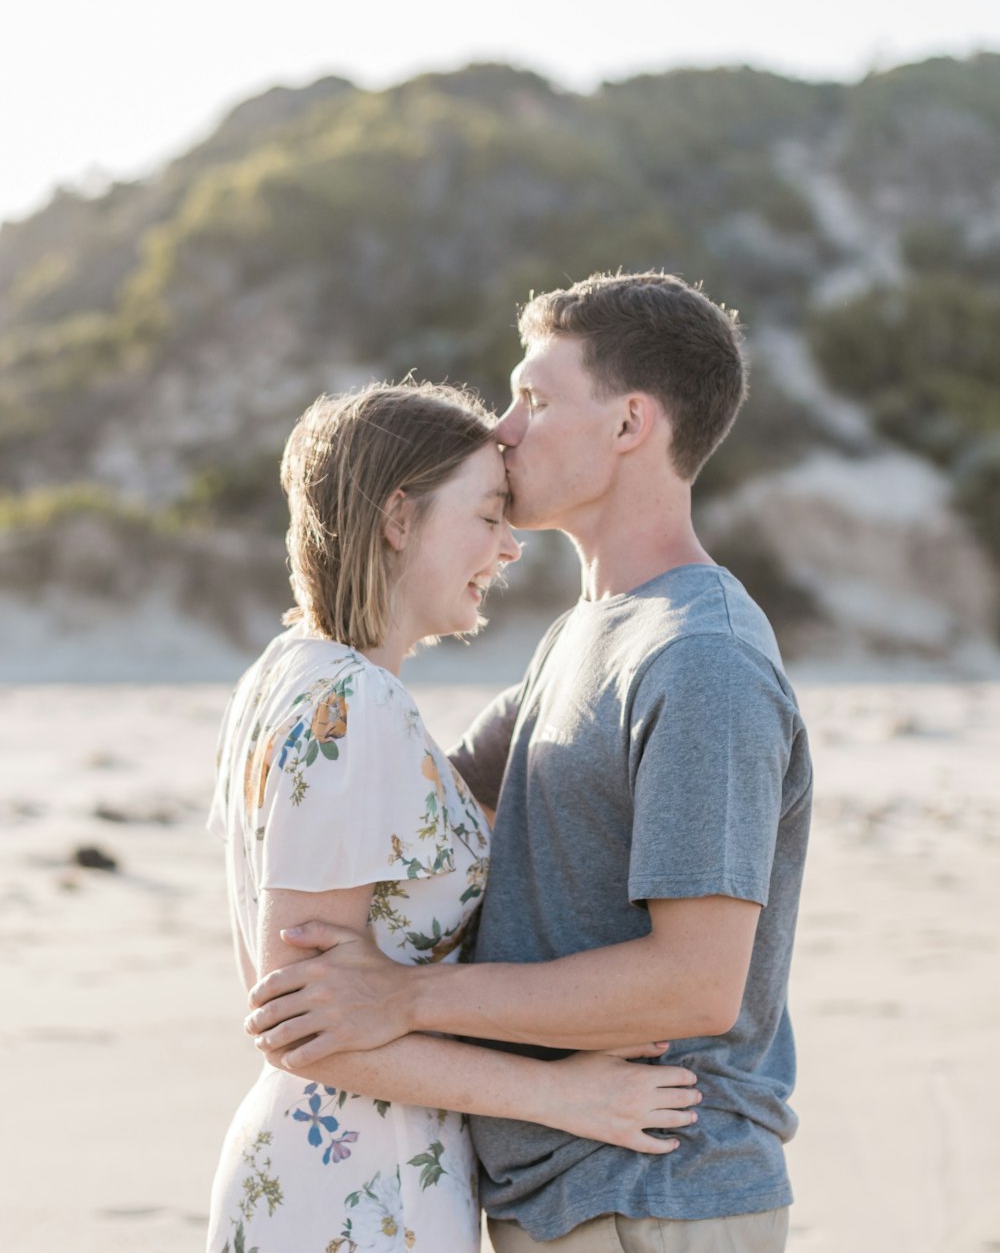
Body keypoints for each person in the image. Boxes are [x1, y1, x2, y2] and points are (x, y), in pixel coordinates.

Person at [245, 273, 813, 1253]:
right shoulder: (577, 641)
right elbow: (405, 795)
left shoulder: (699, 657)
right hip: (548, 1181)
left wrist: (402, 995)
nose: (505, 431)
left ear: (631, 422)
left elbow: (695, 987)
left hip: (657, 1184)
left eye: (535, 400)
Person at [206, 378, 704, 1253]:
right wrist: (564, 1094)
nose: (509, 548)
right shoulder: (353, 705)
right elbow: (303, 1028)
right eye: (486, 517)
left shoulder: (289, 673)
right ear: (400, 520)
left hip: (342, 1166)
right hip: (355, 1184)